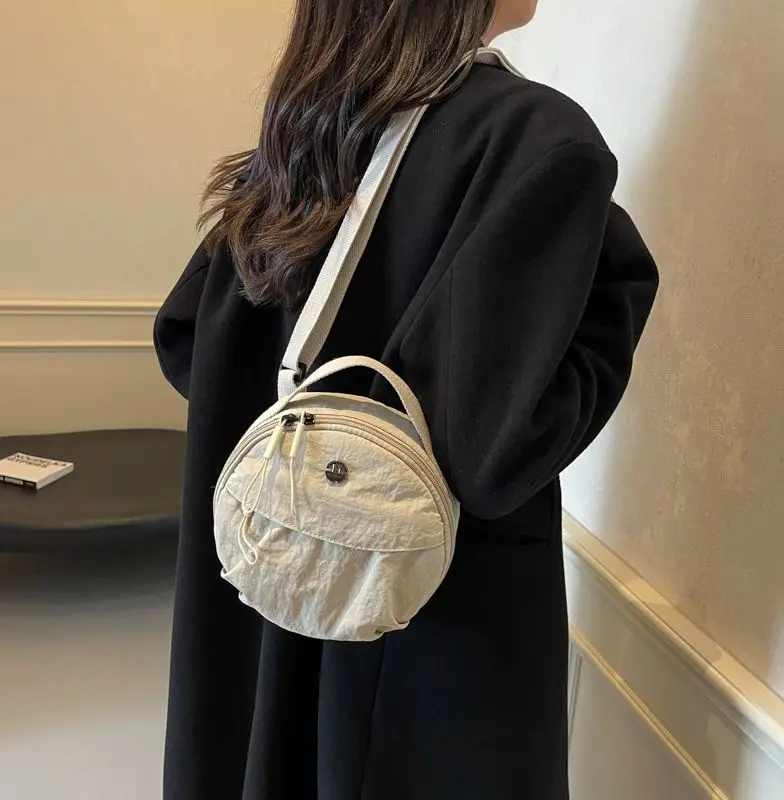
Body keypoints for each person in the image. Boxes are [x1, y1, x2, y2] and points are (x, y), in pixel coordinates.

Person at [154, 1, 659, 798]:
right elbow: (494, 453)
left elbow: (186, 338)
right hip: (431, 641)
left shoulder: (311, 119)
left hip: (263, 598)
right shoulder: (532, 138)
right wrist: (612, 296)